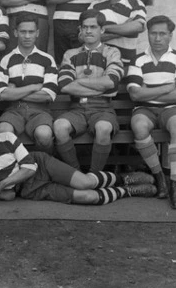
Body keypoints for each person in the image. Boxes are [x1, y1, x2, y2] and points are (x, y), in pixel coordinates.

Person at [0, 112, 156, 204]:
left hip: (40, 164)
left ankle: (124, 178)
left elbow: (29, 168)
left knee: (85, 183)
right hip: (28, 189)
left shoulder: (7, 137)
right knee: (88, 197)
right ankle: (127, 190)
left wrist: (2, 184)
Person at [127, 15, 176, 209]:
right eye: (153, 33)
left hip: (172, 109)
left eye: (162, 34)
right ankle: (159, 177)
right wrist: (166, 88)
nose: (157, 38)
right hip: (145, 110)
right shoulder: (137, 59)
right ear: (148, 34)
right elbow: (134, 94)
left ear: (170, 35)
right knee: (138, 126)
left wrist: (148, 92)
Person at [52, 9, 124, 172]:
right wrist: (99, 88)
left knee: (103, 128)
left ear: (102, 30)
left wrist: (80, 81)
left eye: (93, 27)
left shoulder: (111, 52)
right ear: (80, 30)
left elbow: (111, 82)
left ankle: (94, 175)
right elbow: (64, 85)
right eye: (84, 27)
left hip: (103, 108)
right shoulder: (70, 54)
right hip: (76, 108)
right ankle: (76, 173)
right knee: (59, 126)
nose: (88, 31)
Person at [0, 13, 58, 155]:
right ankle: (13, 169)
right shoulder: (6, 59)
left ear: (37, 33)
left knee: (44, 134)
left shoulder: (47, 59)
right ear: (16, 33)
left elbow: (48, 95)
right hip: (14, 110)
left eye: (31, 32)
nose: (27, 36)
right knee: (4, 131)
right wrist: (33, 87)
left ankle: (41, 167)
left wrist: (15, 92)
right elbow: (2, 94)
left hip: (40, 111)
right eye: (23, 31)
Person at [89, 0, 147, 71]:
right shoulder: (95, 6)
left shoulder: (135, 4)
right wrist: (125, 28)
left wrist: (103, 29)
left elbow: (137, 27)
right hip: (99, 65)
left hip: (128, 65)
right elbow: (84, 36)